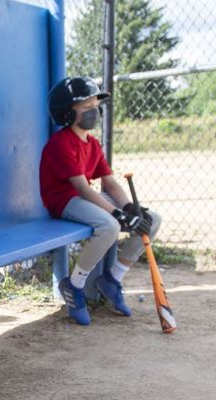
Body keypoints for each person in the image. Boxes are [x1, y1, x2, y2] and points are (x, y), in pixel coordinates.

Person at [40, 76, 162, 325]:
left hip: (84, 197)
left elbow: (109, 182)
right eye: (85, 107)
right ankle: (74, 285)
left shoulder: (93, 143)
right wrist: (118, 215)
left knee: (152, 219)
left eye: (95, 105)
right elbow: (83, 189)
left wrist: (129, 207)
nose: (93, 111)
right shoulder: (61, 143)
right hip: (63, 201)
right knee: (110, 226)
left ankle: (113, 278)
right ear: (66, 113)